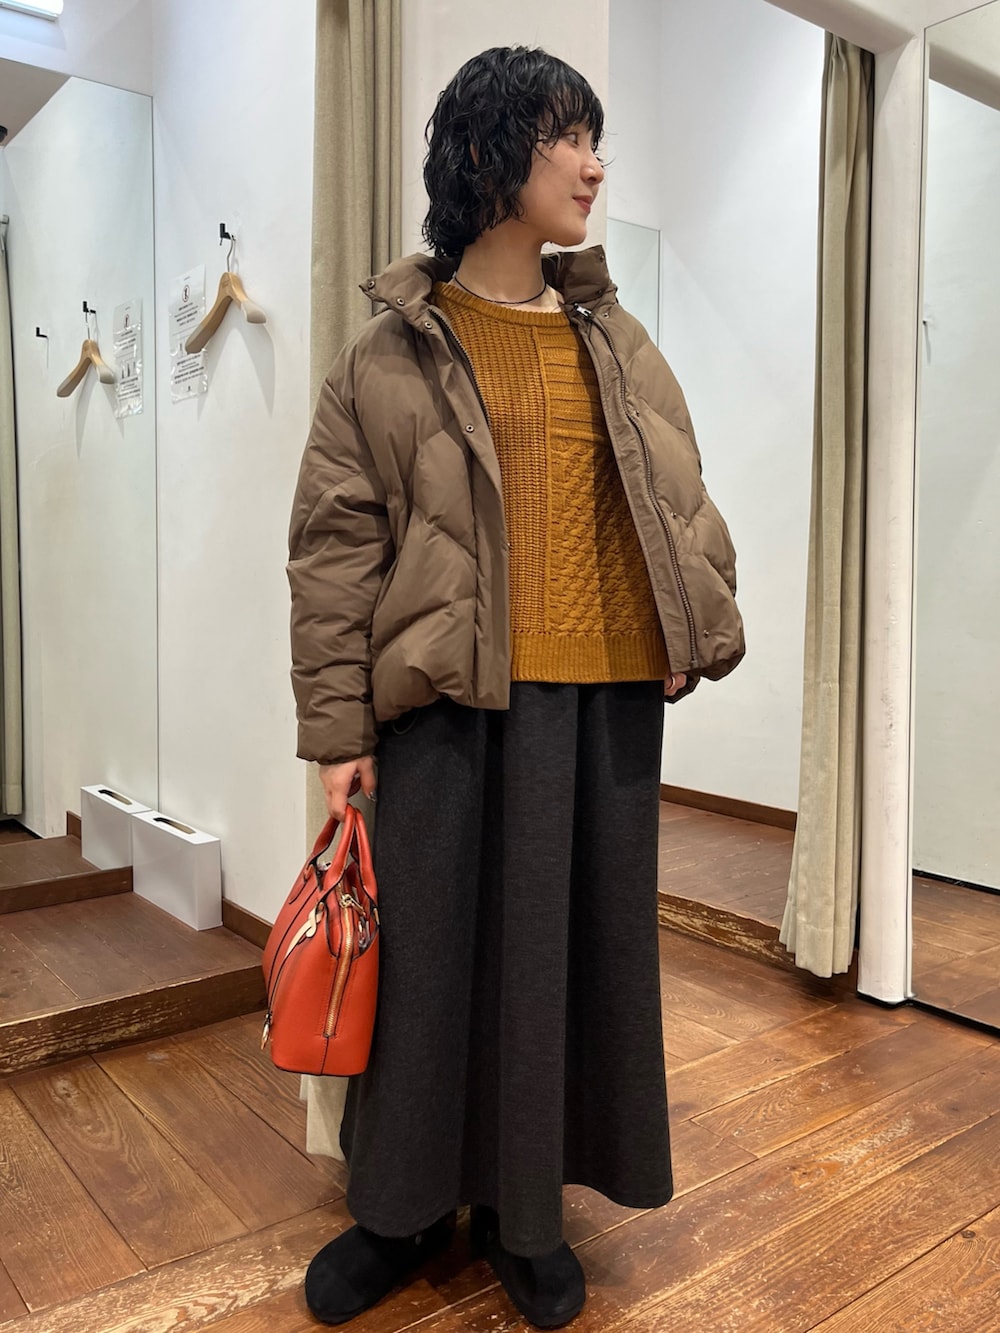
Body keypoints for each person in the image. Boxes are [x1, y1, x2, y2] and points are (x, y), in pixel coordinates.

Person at [287, 45, 744, 1329]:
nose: (594, 166)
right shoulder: (387, 356)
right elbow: (333, 552)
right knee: (428, 973)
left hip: (600, 709)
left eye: (596, 139)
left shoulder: (618, 340)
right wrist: (336, 730)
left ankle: (524, 1216)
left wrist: (686, 625)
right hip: (445, 705)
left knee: (564, 969)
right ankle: (400, 1212)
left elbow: (679, 499)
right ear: (490, 154)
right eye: (567, 138)